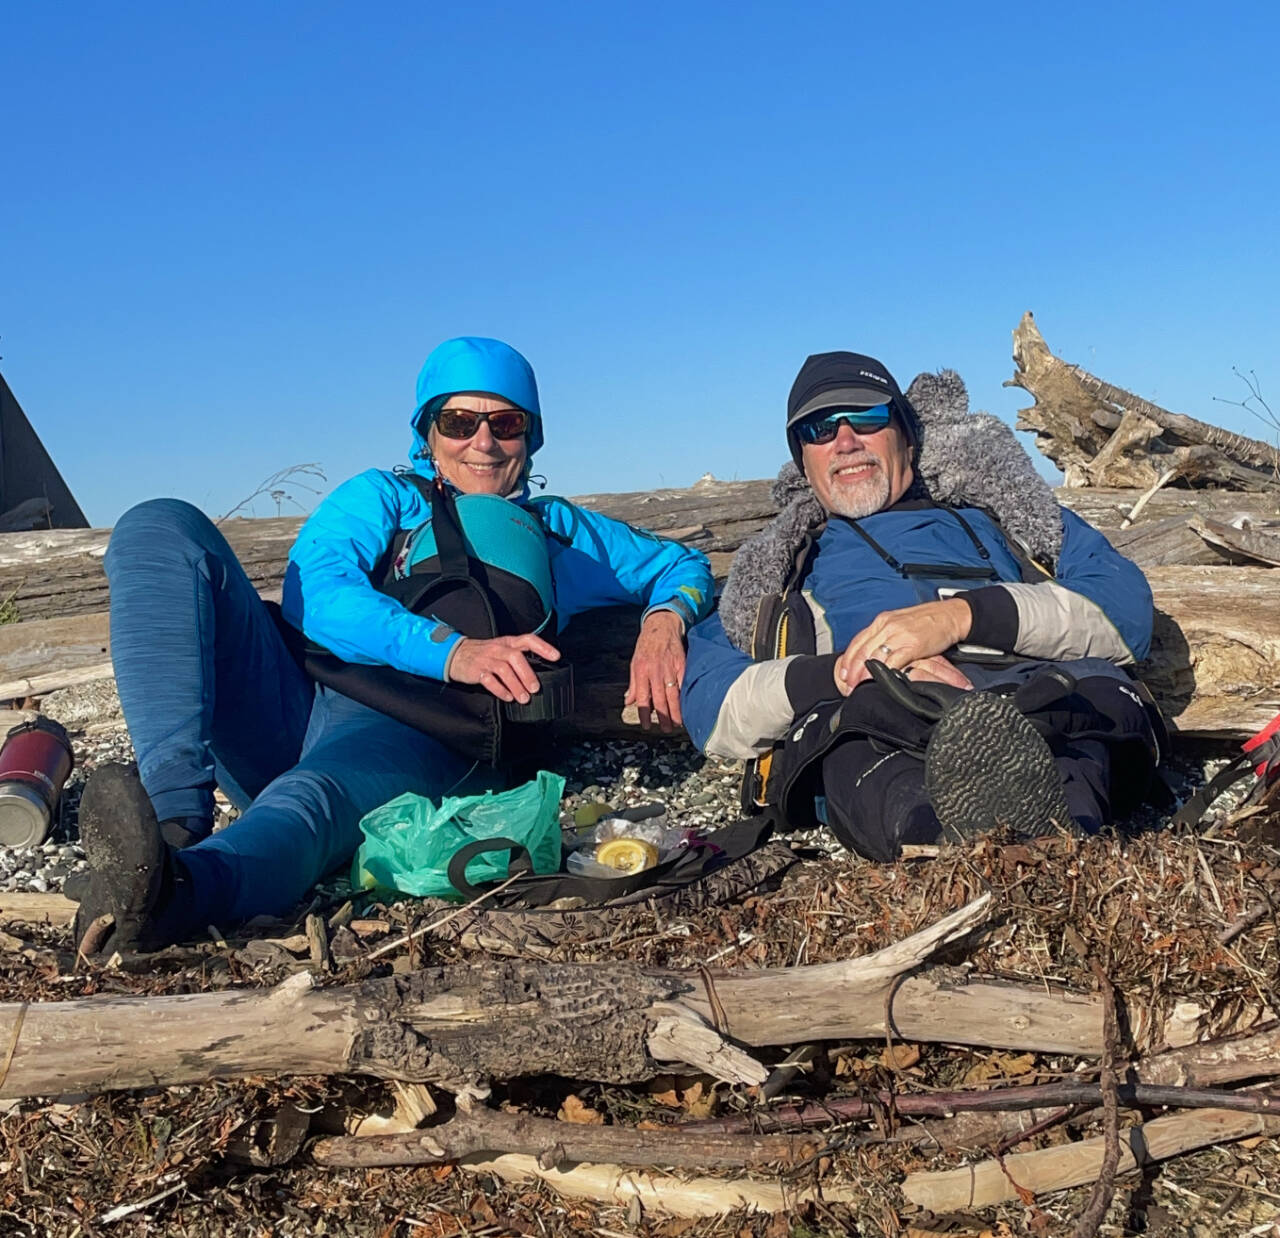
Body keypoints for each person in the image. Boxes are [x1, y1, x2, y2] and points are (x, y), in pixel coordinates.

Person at [73, 337, 713, 951]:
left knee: (310, 800)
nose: (482, 442)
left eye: (506, 422)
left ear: (531, 436)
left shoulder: (560, 532)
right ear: (427, 433)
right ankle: (172, 825)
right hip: (301, 701)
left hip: (425, 731)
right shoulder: (383, 496)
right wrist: (452, 649)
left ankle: (175, 895)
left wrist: (664, 622)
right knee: (159, 526)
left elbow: (684, 566)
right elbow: (314, 595)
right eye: (458, 421)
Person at [681, 350, 1165, 860]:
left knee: (1091, 692)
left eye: (867, 417)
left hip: (1031, 703)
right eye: (819, 429)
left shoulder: (1010, 520)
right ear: (804, 460)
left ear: (907, 436)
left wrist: (962, 617)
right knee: (855, 730)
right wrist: (845, 675)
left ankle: (1059, 839)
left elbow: (1125, 609)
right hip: (889, 722)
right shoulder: (784, 560)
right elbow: (709, 703)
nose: (845, 442)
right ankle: (948, 846)